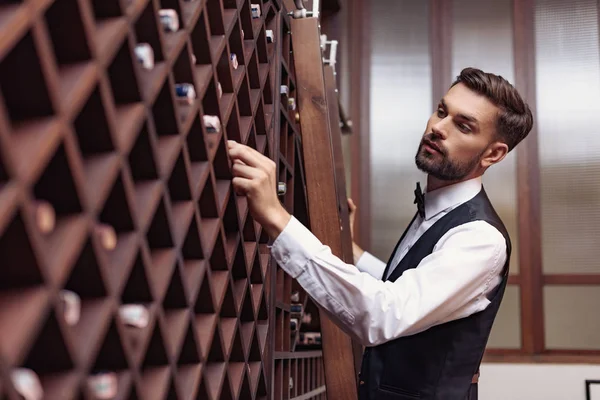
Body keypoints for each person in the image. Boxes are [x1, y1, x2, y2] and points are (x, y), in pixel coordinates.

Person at [227, 67, 533, 400]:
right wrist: (354, 254)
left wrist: (275, 218)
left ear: (493, 154)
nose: (437, 128)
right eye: (442, 111)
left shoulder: (479, 239)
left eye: (463, 126)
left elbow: (382, 315)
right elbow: (409, 286)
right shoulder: (438, 210)